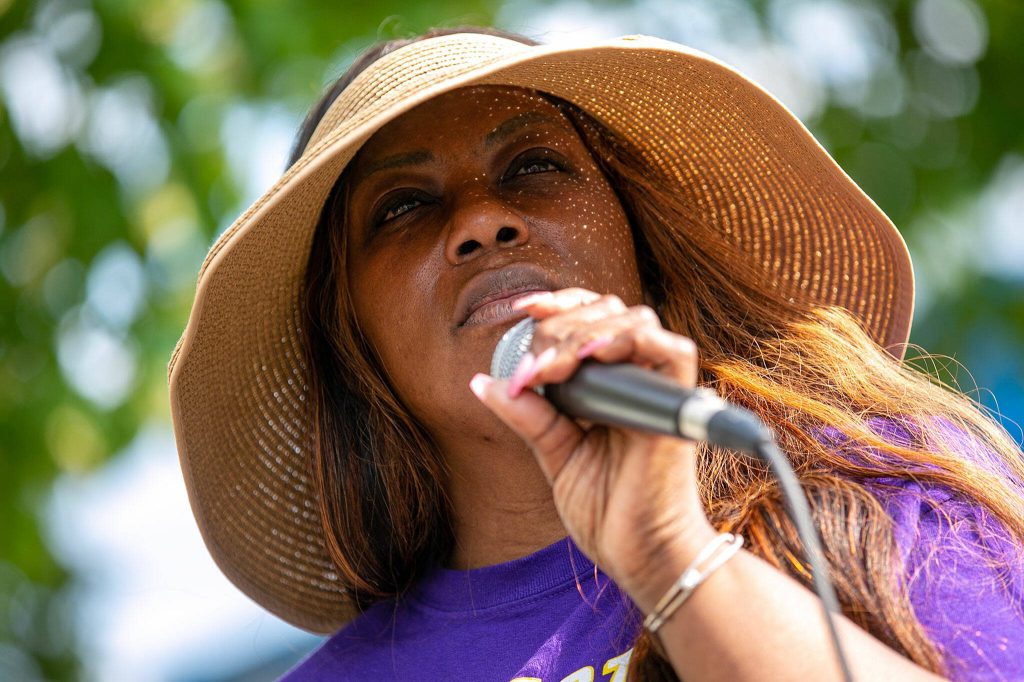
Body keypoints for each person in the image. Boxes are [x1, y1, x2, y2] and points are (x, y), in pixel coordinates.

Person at [168, 27, 1024, 681]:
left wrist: (673, 559)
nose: (480, 220)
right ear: (351, 339)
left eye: (534, 165)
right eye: (401, 207)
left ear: (636, 238)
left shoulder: (885, 493)